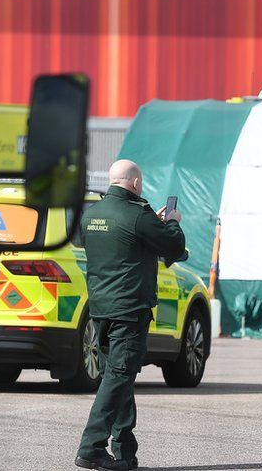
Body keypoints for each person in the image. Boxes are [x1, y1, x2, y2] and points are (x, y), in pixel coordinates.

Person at [75, 160, 186, 471]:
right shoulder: (139, 214)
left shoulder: (91, 215)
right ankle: (91, 447)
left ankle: (124, 451)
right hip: (130, 310)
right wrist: (173, 221)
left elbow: (118, 247)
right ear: (136, 184)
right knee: (119, 376)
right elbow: (174, 247)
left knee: (117, 376)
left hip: (100, 309)